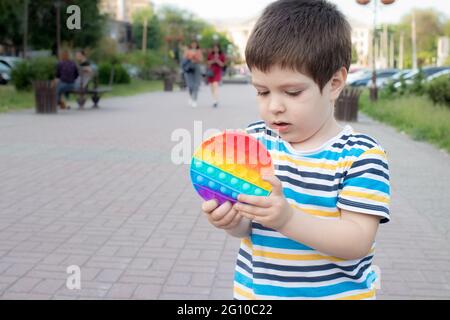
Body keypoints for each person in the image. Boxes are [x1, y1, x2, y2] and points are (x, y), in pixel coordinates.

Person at [201, 0, 391, 300]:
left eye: (292, 92)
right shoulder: (252, 142)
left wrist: (287, 219)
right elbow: (250, 229)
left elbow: (357, 241)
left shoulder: (360, 157)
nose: (274, 106)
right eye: (262, 91)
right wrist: (233, 222)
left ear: (334, 83)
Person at [182, 40, 203, 108]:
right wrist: (190, 56)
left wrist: (196, 57)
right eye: (192, 44)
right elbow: (184, 59)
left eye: (195, 44)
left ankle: (195, 100)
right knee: (190, 85)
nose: (194, 45)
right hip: (189, 68)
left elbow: (201, 59)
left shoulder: (199, 51)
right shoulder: (187, 51)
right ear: (190, 44)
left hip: (196, 67)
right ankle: (191, 96)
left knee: (196, 84)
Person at [206, 44, 226, 108]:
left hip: (217, 72)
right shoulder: (210, 55)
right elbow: (207, 63)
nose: (215, 49)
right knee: (212, 87)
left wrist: (217, 61)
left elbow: (223, 65)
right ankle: (214, 99)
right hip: (211, 72)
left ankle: (215, 100)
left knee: (215, 85)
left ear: (219, 48)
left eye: (216, 48)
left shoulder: (222, 55)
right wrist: (212, 61)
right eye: (214, 48)